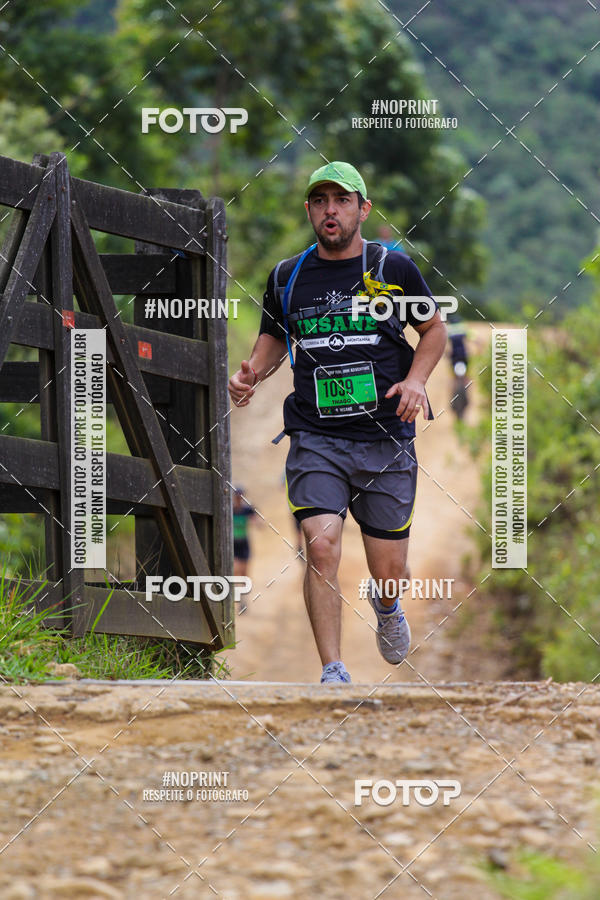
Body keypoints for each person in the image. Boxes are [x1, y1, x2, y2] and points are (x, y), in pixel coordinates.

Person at [228, 161, 447, 682]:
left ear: (363, 209)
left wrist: (416, 381)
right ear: (309, 210)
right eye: (321, 201)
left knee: (387, 571)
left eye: (343, 200)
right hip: (316, 435)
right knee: (320, 544)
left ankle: (387, 606)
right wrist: (251, 373)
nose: (331, 210)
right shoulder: (287, 276)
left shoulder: (392, 268)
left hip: (385, 438)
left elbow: (434, 330)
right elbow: (274, 337)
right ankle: (333, 670)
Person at [233, 487, 256, 613]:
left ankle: (243, 601)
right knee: (236, 571)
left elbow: (259, 522)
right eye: (237, 497)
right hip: (233, 545)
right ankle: (239, 600)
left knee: (244, 574)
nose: (238, 499)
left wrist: (254, 519)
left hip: (244, 544)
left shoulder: (247, 510)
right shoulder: (230, 510)